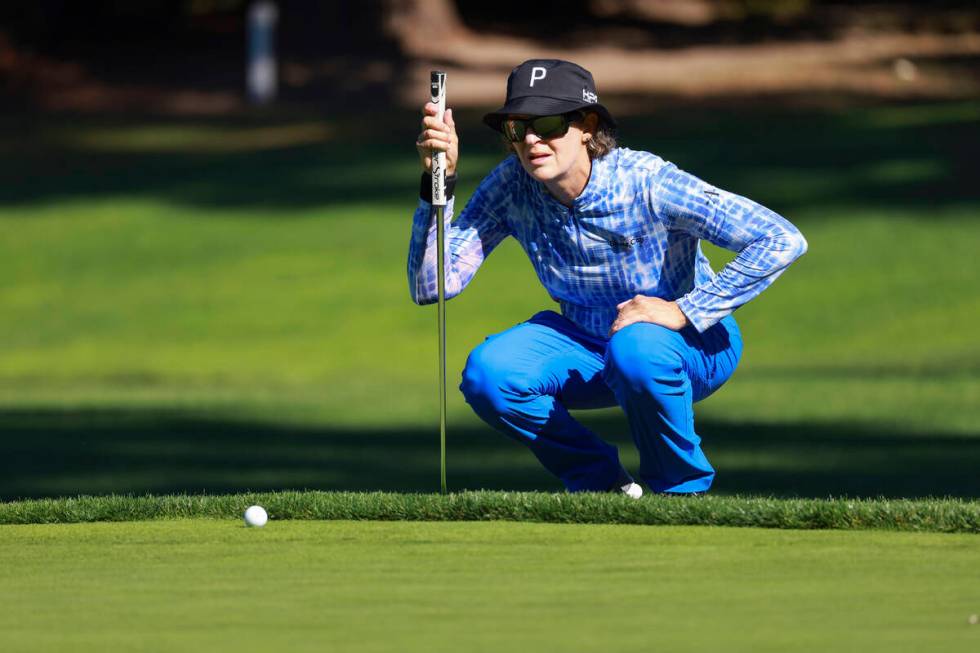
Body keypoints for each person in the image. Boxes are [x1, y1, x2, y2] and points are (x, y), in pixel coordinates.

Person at [409, 59, 807, 497]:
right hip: (583, 342)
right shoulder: (511, 184)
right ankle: (604, 485)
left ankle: (680, 492)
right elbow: (434, 284)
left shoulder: (648, 181)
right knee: (490, 374)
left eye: (549, 123)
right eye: (517, 128)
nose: (533, 140)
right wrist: (437, 181)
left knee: (636, 347)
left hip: (692, 343)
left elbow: (781, 238)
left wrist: (685, 309)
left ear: (588, 125)